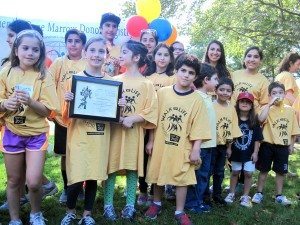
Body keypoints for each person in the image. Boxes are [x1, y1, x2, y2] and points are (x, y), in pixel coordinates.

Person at [0, 30, 59, 225]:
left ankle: (35, 214)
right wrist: (4, 104)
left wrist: (31, 102)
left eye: (35, 50)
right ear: (16, 50)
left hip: (36, 135)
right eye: (25, 48)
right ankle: (15, 219)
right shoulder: (6, 71)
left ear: (40, 53)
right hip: (12, 133)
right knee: (14, 180)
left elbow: (48, 111)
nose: (30, 53)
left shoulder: (44, 76)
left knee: (33, 182)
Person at [145, 54, 211, 225]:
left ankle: (179, 211)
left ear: (195, 77)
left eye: (191, 73)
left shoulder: (197, 99)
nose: (186, 75)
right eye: (183, 70)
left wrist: (196, 148)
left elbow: (200, 125)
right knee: (159, 171)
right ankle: (156, 203)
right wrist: (151, 140)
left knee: (183, 176)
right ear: (176, 70)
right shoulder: (163, 93)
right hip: (161, 142)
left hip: (183, 144)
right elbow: (154, 119)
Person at [60, 37, 118, 225]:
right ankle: (70, 212)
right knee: (76, 177)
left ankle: (87, 214)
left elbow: (114, 117)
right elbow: (65, 115)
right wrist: (67, 101)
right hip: (78, 137)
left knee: (93, 175)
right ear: (85, 53)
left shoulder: (111, 83)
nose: (96, 55)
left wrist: (119, 106)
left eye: (101, 51)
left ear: (106, 56)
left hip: (99, 138)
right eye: (92, 50)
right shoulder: (74, 80)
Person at [103, 40, 158, 221]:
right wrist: (118, 115)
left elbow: (151, 110)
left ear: (136, 57)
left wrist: (132, 118)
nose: (121, 55)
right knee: (112, 166)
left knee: (132, 167)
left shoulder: (146, 84)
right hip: (115, 133)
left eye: (125, 52)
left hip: (134, 133)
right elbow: (105, 106)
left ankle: (130, 206)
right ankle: (108, 205)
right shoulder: (114, 81)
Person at [48, 28, 86, 204]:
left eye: (77, 41)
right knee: (65, 155)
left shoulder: (87, 63)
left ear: (83, 44)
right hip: (62, 119)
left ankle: (79, 189)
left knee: (81, 154)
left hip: (83, 120)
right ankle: (66, 187)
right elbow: (49, 86)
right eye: (70, 40)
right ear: (66, 43)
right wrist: (52, 110)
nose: (73, 44)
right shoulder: (58, 63)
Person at [137, 43, 176, 205]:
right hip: (144, 124)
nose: (162, 58)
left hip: (163, 126)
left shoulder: (173, 78)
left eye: (166, 55)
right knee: (144, 157)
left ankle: (155, 191)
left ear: (170, 59)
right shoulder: (146, 78)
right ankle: (143, 190)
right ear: (154, 56)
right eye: (159, 54)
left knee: (157, 158)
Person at [252, 82, 300, 206]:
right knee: (263, 170)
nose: (277, 95)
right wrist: (269, 104)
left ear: (284, 94)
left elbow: (294, 130)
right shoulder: (266, 108)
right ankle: (259, 193)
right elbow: (261, 119)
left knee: (281, 172)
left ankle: (279, 195)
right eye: (274, 93)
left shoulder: (290, 111)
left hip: (282, 147)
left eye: (280, 93)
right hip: (267, 145)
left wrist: (291, 145)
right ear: (269, 95)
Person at [184, 63, 219, 213]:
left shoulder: (207, 97)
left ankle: (198, 201)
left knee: (203, 175)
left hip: (209, 145)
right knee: (199, 176)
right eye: (215, 79)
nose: (217, 82)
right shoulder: (197, 98)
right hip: (201, 147)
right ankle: (192, 204)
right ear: (206, 79)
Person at [206, 77, 242, 205]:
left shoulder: (231, 108)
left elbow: (232, 129)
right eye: (221, 89)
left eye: (228, 90)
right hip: (210, 145)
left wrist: (229, 147)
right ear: (215, 90)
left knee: (219, 172)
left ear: (232, 93)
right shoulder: (210, 105)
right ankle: (205, 196)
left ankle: (217, 195)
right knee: (207, 171)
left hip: (223, 146)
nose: (224, 93)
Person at [224, 92, 263, 208]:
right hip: (236, 151)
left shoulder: (254, 121)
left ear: (251, 106)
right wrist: (229, 148)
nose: (245, 103)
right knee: (235, 172)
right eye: (242, 101)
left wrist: (256, 152)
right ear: (238, 103)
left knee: (248, 173)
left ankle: (245, 196)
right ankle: (231, 193)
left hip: (249, 152)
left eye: (248, 102)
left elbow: (257, 139)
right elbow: (230, 135)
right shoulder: (233, 118)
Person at [231, 46, 269, 111]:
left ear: (260, 61)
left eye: (256, 57)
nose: (252, 59)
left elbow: (265, 104)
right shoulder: (234, 75)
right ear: (244, 59)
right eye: (249, 56)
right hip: (232, 116)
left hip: (252, 119)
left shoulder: (264, 81)